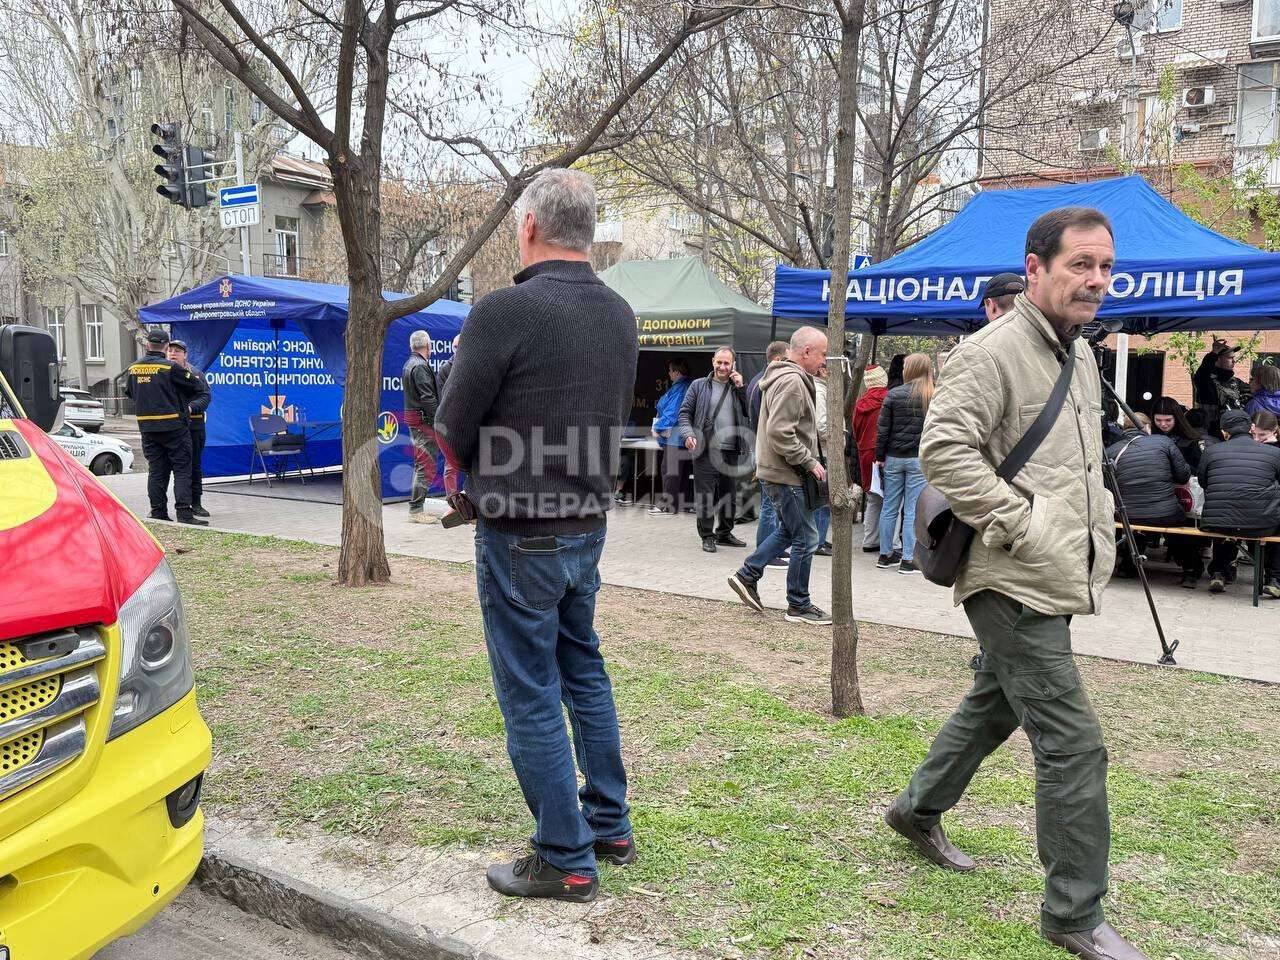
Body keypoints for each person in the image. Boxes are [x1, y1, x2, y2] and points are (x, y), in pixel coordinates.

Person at [886, 207, 1143, 960]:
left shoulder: (1082, 353)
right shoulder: (992, 350)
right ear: (1035, 270)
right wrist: (1022, 524)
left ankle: (916, 809)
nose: (1095, 280)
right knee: (1073, 743)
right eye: (1079, 266)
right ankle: (1073, 912)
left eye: (1105, 267)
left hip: (1055, 568)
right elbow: (945, 450)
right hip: (1010, 573)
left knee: (993, 705)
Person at [434, 169, 638, 902]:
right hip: (586, 530)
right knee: (584, 671)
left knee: (529, 693)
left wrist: (466, 473)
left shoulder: (503, 311)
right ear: (586, 230)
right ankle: (609, 825)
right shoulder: (620, 313)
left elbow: (452, 425)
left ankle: (565, 856)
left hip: (521, 535)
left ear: (527, 227)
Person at [725, 326, 831, 626]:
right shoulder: (792, 382)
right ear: (806, 351)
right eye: (822, 354)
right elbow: (780, 432)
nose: (824, 360)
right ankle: (798, 604)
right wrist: (809, 461)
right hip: (787, 473)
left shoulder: (783, 377)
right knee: (807, 538)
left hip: (779, 471)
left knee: (788, 530)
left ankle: (747, 575)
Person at [1106, 411, 1201, 588]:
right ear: (1147, 427)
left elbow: (1108, 486)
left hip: (1125, 515)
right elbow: (1183, 476)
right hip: (1165, 513)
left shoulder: (1111, 450)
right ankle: (1190, 571)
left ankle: (1128, 565)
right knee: (1183, 522)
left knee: (1138, 525)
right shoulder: (1164, 442)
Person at [125, 327, 208, 526]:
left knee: (156, 471)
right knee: (182, 470)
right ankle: (184, 514)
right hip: (174, 428)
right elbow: (197, 388)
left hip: (147, 429)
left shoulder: (133, 368)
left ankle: (158, 511)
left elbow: (130, 393)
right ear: (165, 347)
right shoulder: (170, 368)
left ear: (147, 345)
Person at [1198, 409, 1280, 598]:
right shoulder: (1274, 453)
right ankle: (1274, 579)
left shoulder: (1211, 450)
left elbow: (1204, 482)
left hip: (1215, 524)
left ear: (1224, 431)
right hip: (1261, 525)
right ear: (1250, 428)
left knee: (1227, 516)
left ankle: (1218, 571)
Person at [677, 346, 750, 552]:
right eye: (719, 362)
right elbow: (684, 414)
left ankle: (724, 533)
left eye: (727, 363)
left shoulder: (737, 388)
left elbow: (748, 411)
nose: (722, 366)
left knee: (729, 495)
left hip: (730, 450)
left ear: (733, 365)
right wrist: (688, 434)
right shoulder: (698, 386)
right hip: (705, 448)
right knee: (706, 496)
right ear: (712, 362)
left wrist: (741, 387)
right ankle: (707, 536)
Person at [874, 353, 933, 574]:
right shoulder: (932, 395)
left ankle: (885, 554)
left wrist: (880, 456)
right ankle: (908, 559)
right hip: (918, 458)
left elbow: (882, 430)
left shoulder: (893, 394)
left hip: (893, 457)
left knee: (889, 506)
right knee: (912, 510)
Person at [748, 341, 790, 564]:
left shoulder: (756, 381)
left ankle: (772, 547)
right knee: (769, 504)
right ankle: (766, 552)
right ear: (777, 360)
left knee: (772, 503)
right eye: (787, 358)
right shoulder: (767, 384)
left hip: (760, 447)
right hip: (766, 450)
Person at [166, 339, 212, 518]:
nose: (173, 353)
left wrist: (191, 408)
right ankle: (162, 507)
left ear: (185, 354)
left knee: (194, 466)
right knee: (165, 469)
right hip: (171, 427)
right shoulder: (163, 372)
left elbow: (206, 397)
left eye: (177, 351)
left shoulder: (195, 374)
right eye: (170, 350)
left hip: (194, 426)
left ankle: (197, 502)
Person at [402, 329, 441, 524]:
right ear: (428, 346)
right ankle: (416, 510)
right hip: (424, 423)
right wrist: (438, 422)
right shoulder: (419, 366)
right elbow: (428, 398)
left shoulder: (411, 363)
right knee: (424, 465)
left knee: (421, 464)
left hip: (417, 422)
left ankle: (417, 508)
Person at [649, 358, 693, 515]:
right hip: (681, 436)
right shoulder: (684, 386)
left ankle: (667, 505)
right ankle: (683, 503)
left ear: (676, 372)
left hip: (675, 436)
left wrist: (658, 427)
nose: (668, 374)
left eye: (670, 370)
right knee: (680, 472)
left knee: (670, 472)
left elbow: (672, 413)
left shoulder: (680, 389)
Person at [1193, 338, 1248, 433]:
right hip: (1211, 433)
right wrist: (1213, 354)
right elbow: (1203, 371)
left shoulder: (1237, 382)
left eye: (1233, 358)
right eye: (1230, 358)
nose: (1234, 361)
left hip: (1235, 432)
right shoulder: (1206, 382)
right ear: (1217, 360)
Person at [1150, 396, 1204, 470]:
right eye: (1158, 420)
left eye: (1168, 420)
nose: (1163, 424)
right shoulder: (1149, 438)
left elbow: (1198, 469)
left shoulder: (1191, 442)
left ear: (1177, 418)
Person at [812, 362, 832, 556]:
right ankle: (817, 542)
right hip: (822, 452)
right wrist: (837, 435)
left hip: (822, 450)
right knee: (823, 500)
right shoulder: (819, 390)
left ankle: (819, 539)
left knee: (822, 500)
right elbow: (821, 425)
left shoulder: (821, 388)